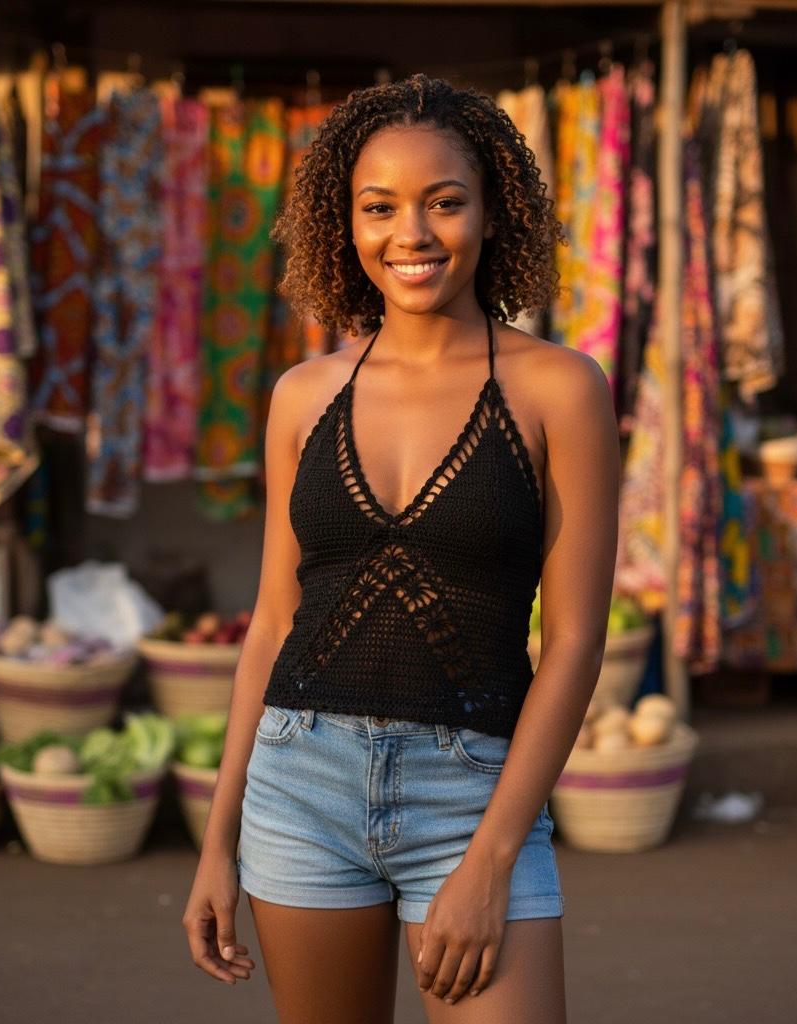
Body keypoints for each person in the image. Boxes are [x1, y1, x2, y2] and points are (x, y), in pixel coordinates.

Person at [183, 73, 620, 1023]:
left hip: (472, 794)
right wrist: (218, 843)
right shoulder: (302, 395)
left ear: (493, 214)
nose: (411, 234)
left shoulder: (561, 389)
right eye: (379, 207)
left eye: (444, 202)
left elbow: (575, 642)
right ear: (346, 224)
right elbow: (273, 625)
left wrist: (492, 858)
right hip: (299, 786)